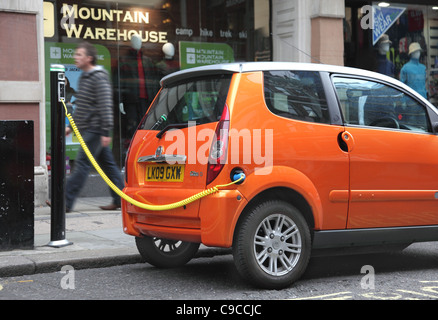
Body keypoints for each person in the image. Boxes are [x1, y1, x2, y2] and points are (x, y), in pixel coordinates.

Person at [65, 41, 124, 211]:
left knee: (82, 163)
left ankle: (65, 202)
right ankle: (120, 199)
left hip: (96, 129)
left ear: (89, 58)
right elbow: (82, 106)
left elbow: (105, 104)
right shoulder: (85, 77)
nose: (75, 57)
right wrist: (71, 126)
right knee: (108, 165)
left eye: (79, 55)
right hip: (90, 128)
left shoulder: (98, 77)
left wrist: (106, 131)